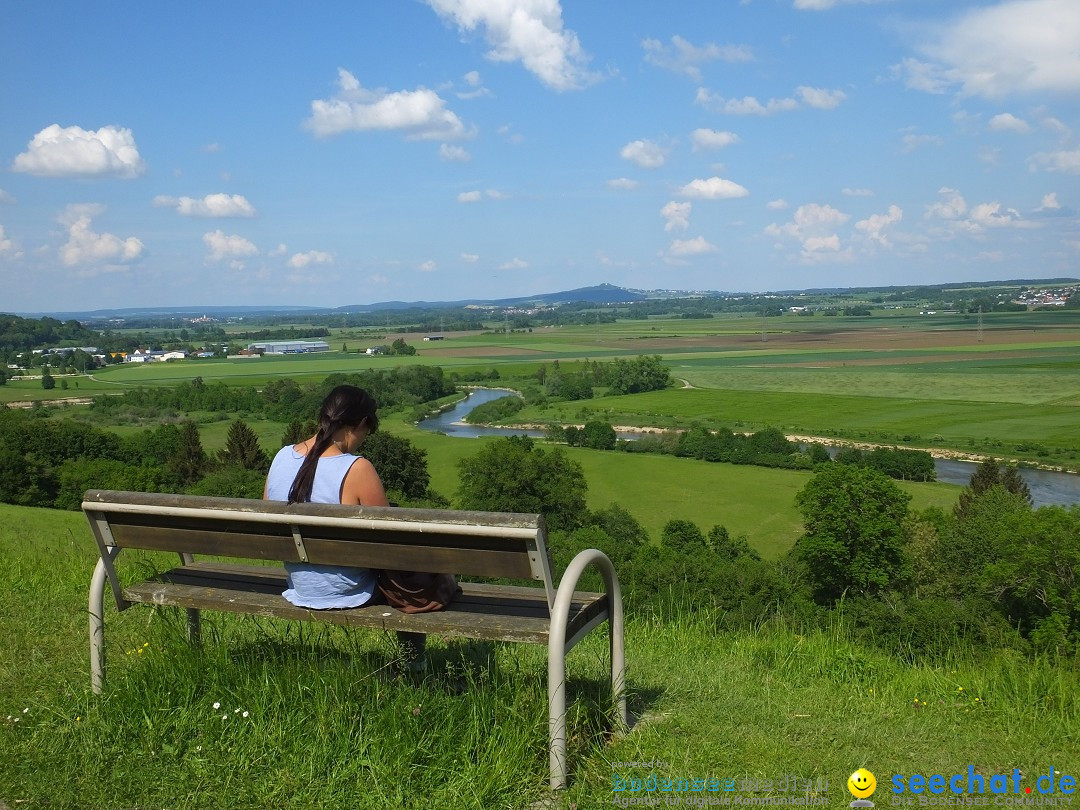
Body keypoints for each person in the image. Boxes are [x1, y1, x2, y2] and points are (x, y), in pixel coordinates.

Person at [263, 383, 427, 671]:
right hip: (350, 590)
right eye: (367, 432)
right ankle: (414, 664)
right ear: (361, 424)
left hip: (300, 584)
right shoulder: (357, 468)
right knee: (416, 574)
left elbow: (267, 520)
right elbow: (391, 542)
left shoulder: (281, 457)